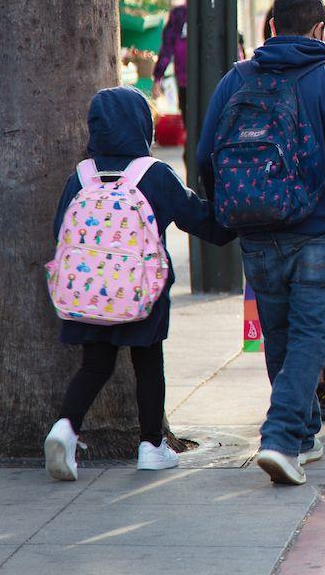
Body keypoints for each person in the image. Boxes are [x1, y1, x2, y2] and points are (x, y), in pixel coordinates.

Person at [197, 0, 325, 486]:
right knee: (312, 332)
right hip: (317, 230)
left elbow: (205, 155)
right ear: (320, 30)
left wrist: (229, 212)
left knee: (280, 333)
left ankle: (303, 436)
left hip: (256, 231)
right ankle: (281, 437)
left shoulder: (235, 80)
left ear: (272, 26)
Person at [43, 87, 234, 481]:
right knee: (149, 364)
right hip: (141, 294)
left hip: (88, 293)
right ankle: (151, 446)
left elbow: (59, 229)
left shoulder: (80, 176)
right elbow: (201, 220)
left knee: (95, 365)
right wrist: (238, 219)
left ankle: (65, 427)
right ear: (141, 125)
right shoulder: (153, 175)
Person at [152, 5, 187, 121]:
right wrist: (158, 77)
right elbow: (167, 49)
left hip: (185, 80)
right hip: (185, 80)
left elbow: (167, 49)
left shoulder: (179, 14)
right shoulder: (179, 15)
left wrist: (158, 78)